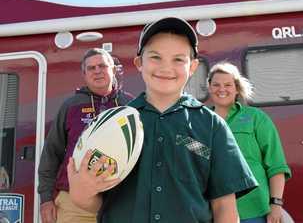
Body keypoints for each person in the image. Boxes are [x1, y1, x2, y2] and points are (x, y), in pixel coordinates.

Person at [67, 17, 258, 223]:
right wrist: (82, 193)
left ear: (193, 66)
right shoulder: (113, 125)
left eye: (178, 59)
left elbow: (224, 207)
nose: (166, 68)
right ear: (139, 63)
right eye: (156, 57)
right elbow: (100, 203)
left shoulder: (212, 126)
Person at [38, 48, 134, 223]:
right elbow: (51, 152)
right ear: (84, 74)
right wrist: (45, 198)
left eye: (102, 66)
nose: (97, 71)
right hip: (74, 203)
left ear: (113, 70)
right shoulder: (71, 106)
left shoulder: (130, 106)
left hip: (121, 201)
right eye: (91, 68)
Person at [207, 61, 292, 223]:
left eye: (228, 84)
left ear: (237, 88)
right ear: (210, 88)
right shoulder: (201, 122)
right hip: (214, 210)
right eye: (216, 84)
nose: (222, 89)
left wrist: (276, 204)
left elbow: (276, 165)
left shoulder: (256, 118)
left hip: (253, 209)